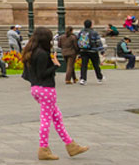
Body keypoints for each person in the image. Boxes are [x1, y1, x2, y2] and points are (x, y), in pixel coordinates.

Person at [21, 27, 89, 160]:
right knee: (46, 120)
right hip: (46, 89)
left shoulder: (31, 52)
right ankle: (43, 149)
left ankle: (71, 145)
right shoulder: (42, 53)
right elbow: (42, 74)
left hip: (36, 88)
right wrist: (55, 65)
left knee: (57, 117)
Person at [76, 20, 104, 85]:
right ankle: (99, 78)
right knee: (96, 65)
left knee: (84, 65)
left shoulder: (81, 32)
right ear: (91, 25)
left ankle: (83, 79)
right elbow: (98, 42)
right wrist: (101, 50)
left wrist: (79, 50)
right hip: (93, 51)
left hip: (83, 51)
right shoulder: (94, 32)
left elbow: (78, 40)